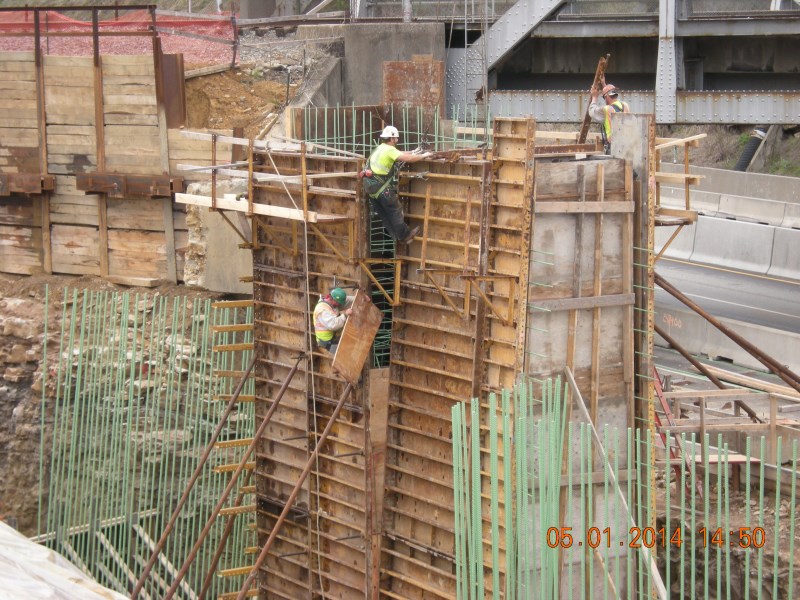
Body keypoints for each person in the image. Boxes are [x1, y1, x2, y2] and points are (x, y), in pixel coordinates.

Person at [364, 125, 432, 244]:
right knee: (395, 211)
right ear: (391, 138)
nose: (396, 141)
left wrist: (413, 151)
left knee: (385, 215)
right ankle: (405, 235)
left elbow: (398, 153)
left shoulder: (380, 148)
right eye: (395, 139)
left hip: (371, 190)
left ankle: (396, 236)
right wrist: (422, 156)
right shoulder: (389, 150)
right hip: (382, 190)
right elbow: (407, 158)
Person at [589, 83, 631, 154]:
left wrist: (594, 97)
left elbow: (592, 112)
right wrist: (604, 85)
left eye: (604, 97)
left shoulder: (606, 110)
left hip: (612, 148)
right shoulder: (625, 106)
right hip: (625, 146)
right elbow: (609, 94)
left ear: (606, 96)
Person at [313, 287, 353, 355]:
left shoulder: (330, 303)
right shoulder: (323, 311)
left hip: (333, 335)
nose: (339, 305)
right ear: (333, 300)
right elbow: (333, 325)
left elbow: (347, 301)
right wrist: (345, 315)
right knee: (344, 356)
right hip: (327, 341)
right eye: (338, 303)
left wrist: (361, 298)